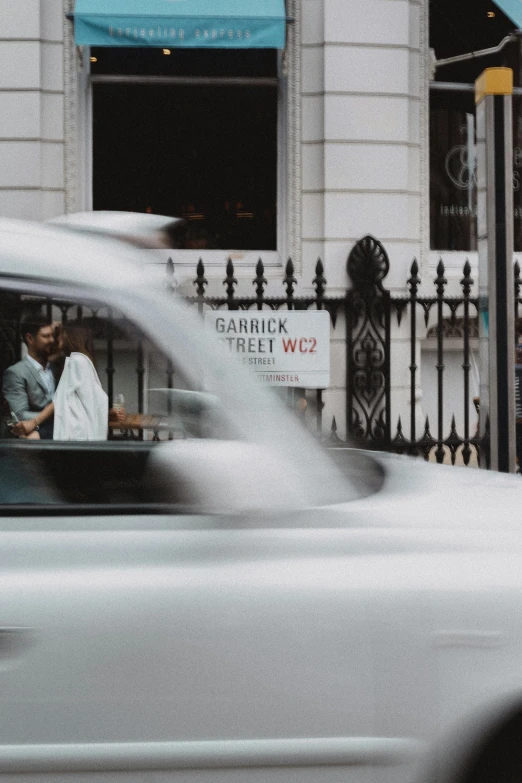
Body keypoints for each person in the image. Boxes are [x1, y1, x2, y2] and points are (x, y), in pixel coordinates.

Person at [2, 315, 57, 439]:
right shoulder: (15, 373)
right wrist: (56, 413)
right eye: (45, 336)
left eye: (52, 335)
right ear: (30, 338)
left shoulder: (56, 368)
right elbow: (20, 414)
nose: (52, 340)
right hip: (33, 443)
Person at [53, 322, 110, 441]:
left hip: (76, 433)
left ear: (71, 336)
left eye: (62, 333)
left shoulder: (77, 361)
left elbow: (90, 399)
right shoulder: (77, 360)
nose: (58, 337)